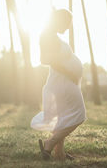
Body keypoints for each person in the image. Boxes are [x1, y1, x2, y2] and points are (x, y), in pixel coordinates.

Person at [30, 8, 86, 161]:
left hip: (62, 82)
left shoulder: (51, 35)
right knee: (79, 115)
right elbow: (46, 59)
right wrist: (70, 73)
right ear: (60, 20)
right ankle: (50, 143)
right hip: (62, 82)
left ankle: (59, 154)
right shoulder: (48, 35)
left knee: (63, 118)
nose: (68, 27)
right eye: (67, 23)